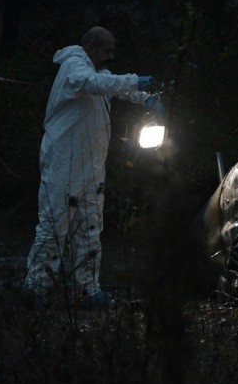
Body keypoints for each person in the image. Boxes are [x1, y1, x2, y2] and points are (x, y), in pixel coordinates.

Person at [22, 26, 164, 308]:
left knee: (89, 226)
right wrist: (138, 81)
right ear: (90, 46)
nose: (111, 56)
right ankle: (35, 288)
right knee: (54, 223)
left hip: (90, 164)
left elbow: (111, 86)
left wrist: (145, 97)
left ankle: (88, 290)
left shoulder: (97, 73)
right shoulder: (74, 67)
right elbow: (93, 84)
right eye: (106, 50)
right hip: (64, 160)